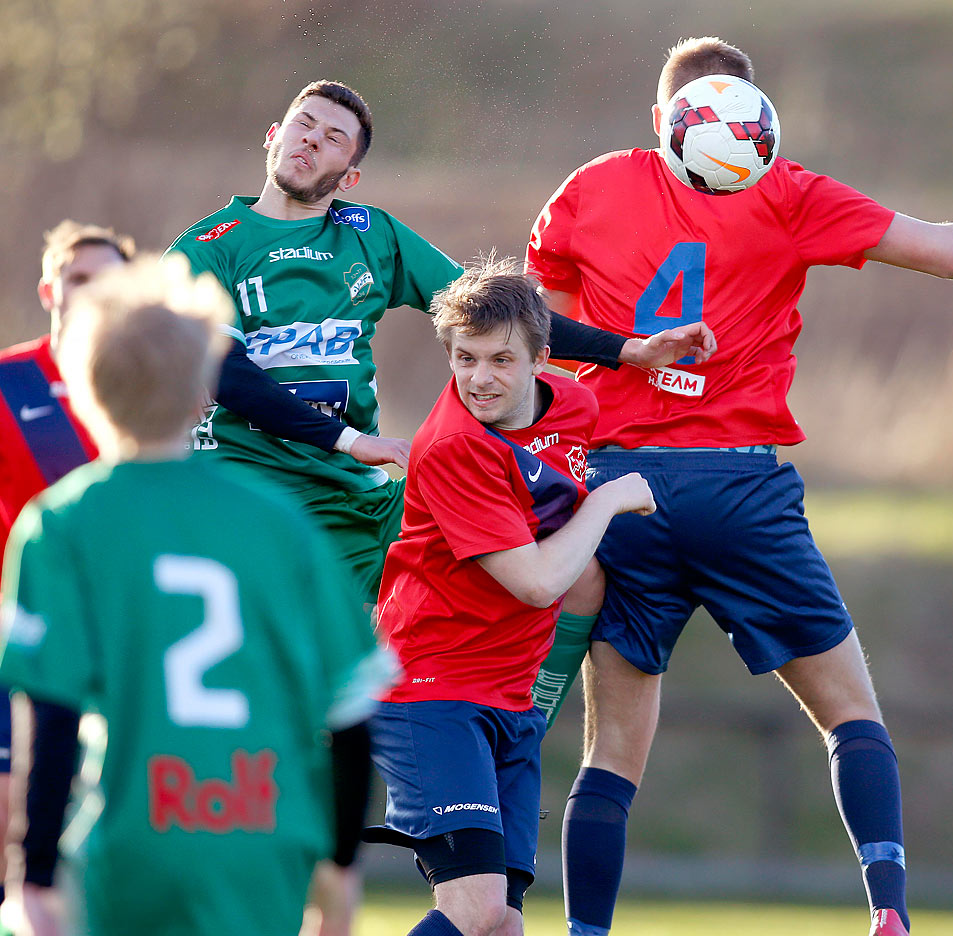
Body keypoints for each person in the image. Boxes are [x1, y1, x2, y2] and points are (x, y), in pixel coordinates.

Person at [525, 36, 953, 936]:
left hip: (621, 494)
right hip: (739, 488)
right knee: (852, 714)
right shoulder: (790, 192)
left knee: (611, 753)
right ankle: (889, 908)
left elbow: (547, 325)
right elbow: (948, 254)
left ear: (664, 119)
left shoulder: (594, 185)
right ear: (757, 118)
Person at [0, 254, 393, 936]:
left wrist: (35, 884)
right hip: (261, 862)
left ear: (82, 389)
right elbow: (351, 719)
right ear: (201, 398)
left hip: (127, 859)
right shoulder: (281, 523)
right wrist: (339, 870)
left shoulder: (65, 521)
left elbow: (49, 718)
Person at [166, 79, 712, 610]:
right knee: (321, 650)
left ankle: (527, 706)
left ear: (350, 176)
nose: (311, 138)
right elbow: (227, 375)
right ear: (273, 135)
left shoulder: (369, 233)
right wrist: (351, 440)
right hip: (252, 485)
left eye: (333, 137)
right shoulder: (206, 249)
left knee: (577, 577)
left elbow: (503, 314)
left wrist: (627, 351)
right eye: (302, 124)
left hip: (359, 492)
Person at [365, 256, 656, 936]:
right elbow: (535, 582)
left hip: (507, 701)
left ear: (540, 358)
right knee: (474, 906)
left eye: (501, 360)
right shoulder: (456, 446)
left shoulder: (575, 406)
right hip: (430, 695)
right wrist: (608, 501)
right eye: (464, 359)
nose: (480, 379)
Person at [0, 220, 134, 906]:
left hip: (120, 649)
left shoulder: (145, 401)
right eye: (79, 278)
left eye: (108, 281)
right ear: (51, 288)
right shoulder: (6, 381)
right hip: (19, 639)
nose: (92, 293)